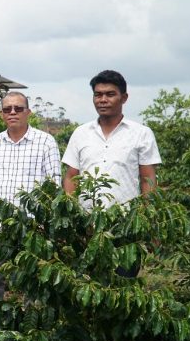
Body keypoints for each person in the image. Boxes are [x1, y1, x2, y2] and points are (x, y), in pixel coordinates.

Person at [62, 69, 161, 276]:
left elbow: (148, 179)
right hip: (86, 225)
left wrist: (150, 222)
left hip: (125, 226)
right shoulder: (81, 133)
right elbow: (71, 176)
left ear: (123, 98)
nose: (103, 100)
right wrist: (70, 215)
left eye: (110, 94)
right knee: (86, 287)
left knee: (123, 286)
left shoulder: (141, 134)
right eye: (98, 95)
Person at [0, 91, 61, 300]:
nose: (12, 112)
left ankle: (30, 325)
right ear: (1, 114)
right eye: (7, 109)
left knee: (31, 276)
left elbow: (54, 186)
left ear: (28, 112)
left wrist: (45, 222)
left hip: (32, 225)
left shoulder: (46, 142)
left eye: (18, 108)